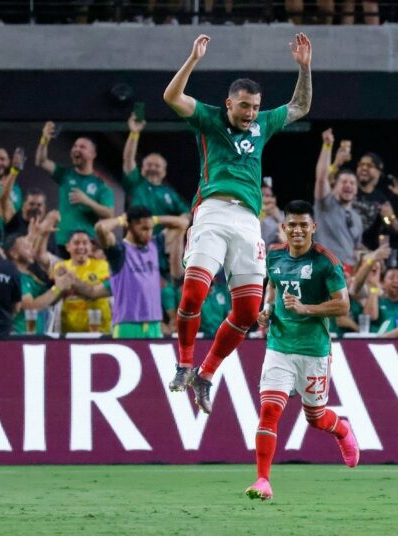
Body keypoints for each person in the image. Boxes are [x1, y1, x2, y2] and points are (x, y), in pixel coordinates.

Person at [162, 33, 312, 414]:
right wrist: (193, 59)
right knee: (194, 293)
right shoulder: (209, 118)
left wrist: (304, 68)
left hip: (248, 222)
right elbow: (171, 98)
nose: (249, 113)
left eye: (254, 107)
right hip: (212, 212)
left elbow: (300, 106)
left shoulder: (263, 123)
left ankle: (205, 374)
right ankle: (183, 364)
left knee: (246, 313)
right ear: (229, 103)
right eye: (244, 106)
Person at [246, 200, 358, 501]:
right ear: (284, 227)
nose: (297, 230)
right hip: (279, 345)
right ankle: (263, 480)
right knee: (269, 411)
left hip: (313, 349)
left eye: (303, 225)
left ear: (313, 228)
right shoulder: (273, 255)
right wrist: (267, 310)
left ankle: (343, 431)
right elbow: (272, 287)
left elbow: (343, 305)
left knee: (316, 417)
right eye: (292, 224)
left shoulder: (326, 262)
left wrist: (307, 308)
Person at [92, 206, 190, 338]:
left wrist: (153, 220)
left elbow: (183, 223)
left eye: (150, 228)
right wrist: (122, 219)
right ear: (130, 226)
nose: (149, 233)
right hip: (126, 324)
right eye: (144, 229)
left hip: (154, 324)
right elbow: (101, 228)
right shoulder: (119, 251)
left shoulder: (154, 244)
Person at [35, 123, 115, 248]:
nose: (76, 149)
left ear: (93, 154)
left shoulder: (101, 185)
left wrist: (88, 201)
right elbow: (41, 161)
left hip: (85, 245)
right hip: (62, 242)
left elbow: (109, 213)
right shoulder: (64, 174)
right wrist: (44, 139)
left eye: (82, 147)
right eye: (75, 146)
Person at [122, 113, 191, 222]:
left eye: (157, 166)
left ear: (164, 172)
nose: (153, 168)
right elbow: (128, 158)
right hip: (137, 235)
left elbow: (186, 213)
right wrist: (134, 133)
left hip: (162, 238)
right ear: (142, 169)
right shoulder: (136, 183)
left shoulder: (169, 193)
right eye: (149, 165)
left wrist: (178, 223)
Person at [314, 129, 363, 269]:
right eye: (344, 182)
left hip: (348, 271)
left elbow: (356, 249)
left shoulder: (357, 218)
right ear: (334, 186)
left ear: (356, 190)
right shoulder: (326, 204)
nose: (348, 185)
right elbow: (322, 178)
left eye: (352, 183)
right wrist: (327, 146)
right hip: (326, 267)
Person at [53, 230, 112, 334]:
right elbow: (55, 293)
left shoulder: (103, 266)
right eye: (76, 243)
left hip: (99, 330)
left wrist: (72, 284)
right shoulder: (60, 267)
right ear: (68, 247)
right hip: (69, 331)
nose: (81, 247)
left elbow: (97, 292)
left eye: (85, 243)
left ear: (90, 247)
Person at [355, 152, 398, 252]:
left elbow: (395, 229)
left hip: (367, 255)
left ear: (379, 172)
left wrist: (390, 217)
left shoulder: (381, 199)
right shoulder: (348, 189)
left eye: (369, 165)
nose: (364, 168)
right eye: (361, 165)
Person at [365, 265, 398, 334]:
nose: (396, 281)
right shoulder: (376, 301)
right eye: (391, 278)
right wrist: (374, 286)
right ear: (382, 283)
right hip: (379, 341)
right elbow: (370, 317)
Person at [260, 181, 285, 247]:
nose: (265, 198)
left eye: (267, 195)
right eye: (262, 195)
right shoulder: (254, 216)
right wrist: (262, 213)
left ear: (274, 198)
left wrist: (279, 219)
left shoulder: (283, 215)